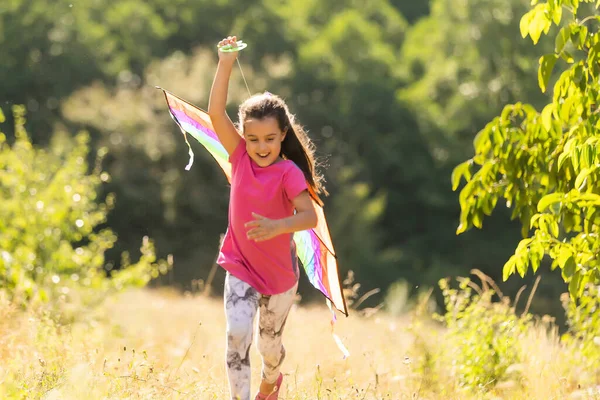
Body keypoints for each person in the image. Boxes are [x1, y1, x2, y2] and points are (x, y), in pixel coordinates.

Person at [208, 35, 327, 400]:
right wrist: (225, 62)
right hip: (240, 264)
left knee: (268, 348)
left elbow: (308, 217)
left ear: (283, 136)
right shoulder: (239, 156)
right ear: (244, 137)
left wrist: (277, 226)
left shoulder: (289, 172)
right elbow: (215, 113)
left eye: (270, 139)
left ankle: (272, 380)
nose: (261, 147)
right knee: (236, 333)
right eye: (253, 138)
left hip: (278, 278)